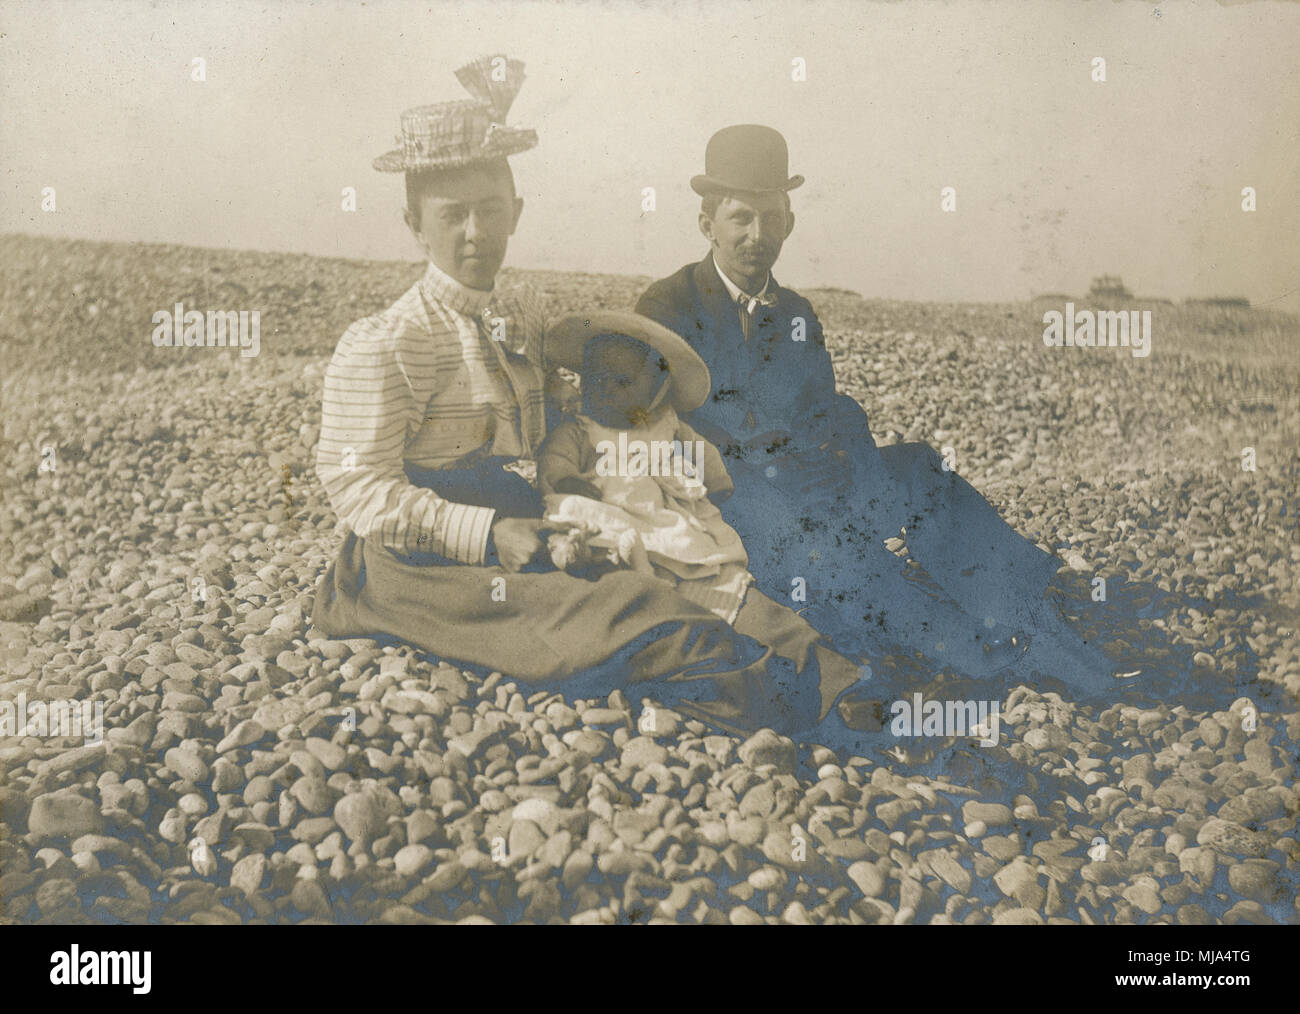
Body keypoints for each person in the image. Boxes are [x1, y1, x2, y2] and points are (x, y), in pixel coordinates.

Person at [308, 60, 876, 746]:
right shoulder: (387, 342)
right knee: (637, 615)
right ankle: (793, 705)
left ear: (515, 213)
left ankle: (830, 677)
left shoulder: (521, 314)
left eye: (490, 210)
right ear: (413, 224)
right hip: (421, 561)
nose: (475, 234)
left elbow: (561, 426)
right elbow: (360, 490)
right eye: (451, 215)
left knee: (675, 572)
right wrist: (492, 535)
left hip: (528, 515)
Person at [634, 124, 1140, 698]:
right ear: (707, 224)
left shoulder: (798, 313)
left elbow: (823, 411)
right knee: (838, 548)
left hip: (808, 486)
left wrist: (835, 461)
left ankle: (1030, 612)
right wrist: (775, 470)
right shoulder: (666, 306)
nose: (758, 234)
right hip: (728, 503)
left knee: (921, 469)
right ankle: (990, 655)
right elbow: (662, 430)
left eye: (771, 218)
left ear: (790, 223)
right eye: (740, 218)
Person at [535, 311, 878, 740]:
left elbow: (713, 474)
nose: (603, 391)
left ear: (656, 391)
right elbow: (555, 473)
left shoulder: (671, 431)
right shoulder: (579, 432)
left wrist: (702, 491)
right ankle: (767, 699)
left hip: (690, 549)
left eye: (621, 383)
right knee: (683, 635)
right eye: (593, 381)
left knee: (755, 609)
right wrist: (573, 487)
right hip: (624, 550)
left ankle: (841, 683)